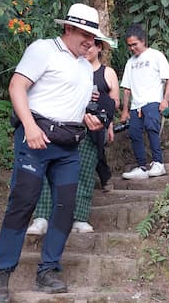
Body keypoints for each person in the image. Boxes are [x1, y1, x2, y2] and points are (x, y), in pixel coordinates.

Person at [0, 3, 105, 303]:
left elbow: (69, 102)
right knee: (22, 204)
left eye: (93, 36)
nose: (90, 41)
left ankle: (48, 270)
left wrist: (87, 117)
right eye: (85, 34)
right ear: (68, 28)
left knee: (65, 207)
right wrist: (29, 127)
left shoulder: (83, 67)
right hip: (36, 139)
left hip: (68, 145)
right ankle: (0, 273)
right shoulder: (43, 50)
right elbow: (16, 87)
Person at [25, 37, 120, 236]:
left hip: (91, 131)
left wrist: (101, 107)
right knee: (48, 172)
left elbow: (114, 103)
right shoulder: (70, 64)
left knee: (84, 174)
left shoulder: (107, 72)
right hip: (61, 128)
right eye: (84, 43)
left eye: (92, 45)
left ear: (99, 47)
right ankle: (41, 216)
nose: (87, 48)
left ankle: (79, 217)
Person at [120, 23, 169, 180]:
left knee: (152, 129)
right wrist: (125, 110)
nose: (132, 48)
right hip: (136, 104)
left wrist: (165, 100)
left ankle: (159, 163)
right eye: (129, 46)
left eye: (135, 44)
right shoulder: (130, 62)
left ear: (143, 41)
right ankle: (142, 166)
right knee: (134, 133)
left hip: (152, 101)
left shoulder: (156, 56)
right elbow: (127, 89)